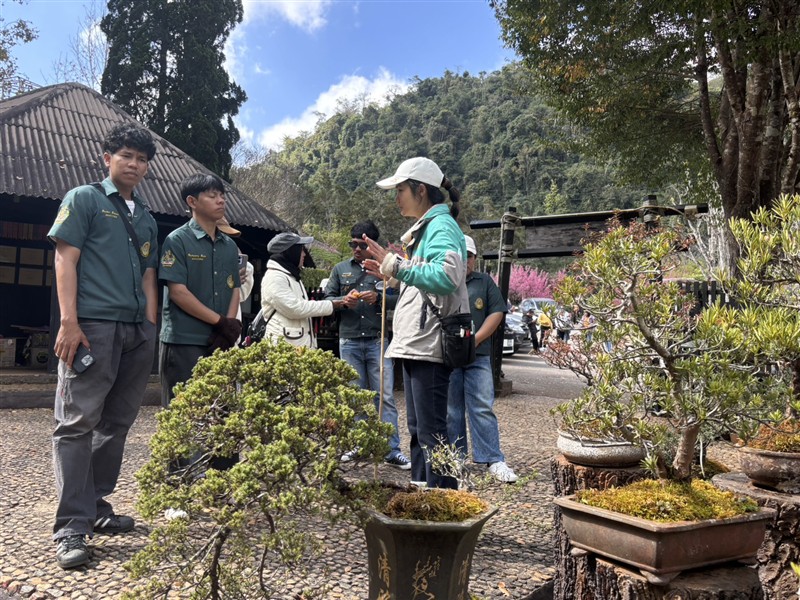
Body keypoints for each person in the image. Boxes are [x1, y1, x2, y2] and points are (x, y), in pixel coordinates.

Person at [48, 123, 159, 569]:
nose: (134, 164)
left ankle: (95, 505)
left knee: (117, 422)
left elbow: (149, 275)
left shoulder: (146, 217)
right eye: (126, 155)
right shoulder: (84, 199)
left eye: (141, 159)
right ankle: (71, 526)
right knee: (76, 424)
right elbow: (65, 257)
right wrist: (69, 322)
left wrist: (150, 326)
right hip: (91, 326)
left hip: (135, 331)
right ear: (107, 158)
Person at [363, 157, 469, 490]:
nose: (396, 198)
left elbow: (447, 277)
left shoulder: (441, 226)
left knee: (432, 432)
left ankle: (445, 502)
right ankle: (422, 496)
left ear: (420, 190)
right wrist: (394, 275)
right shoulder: (427, 228)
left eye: (400, 190)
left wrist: (396, 266)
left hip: (429, 342)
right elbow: (426, 278)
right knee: (420, 430)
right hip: (417, 342)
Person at [158, 174, 242, 476]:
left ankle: (222, 480)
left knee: (223, 410)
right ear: (192, 202)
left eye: (222, 194)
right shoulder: (177, 240)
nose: (221, 200)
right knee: (184, 413)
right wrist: (220, 322)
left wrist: (228, 327)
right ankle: (181, 483)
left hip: (220, 343)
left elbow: (234, 287)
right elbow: (178, 293)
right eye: (212, 195)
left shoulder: (229, 246)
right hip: (184, 340)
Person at [325, 220, 410, 470]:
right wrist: (344, 301)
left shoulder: (387, 269)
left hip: (377, 340)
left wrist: (380, 297)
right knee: (355, 395)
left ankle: (391, 450)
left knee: (385, 396)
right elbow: (328, 298)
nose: (356, 249)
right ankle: (358, 444)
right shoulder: (340, 269)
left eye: (361, 245)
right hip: (349, 340)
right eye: (352, 244)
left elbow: (402, 298)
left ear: (371, 245)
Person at [447, 236, 519, 483]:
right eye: (460, 255)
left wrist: (476, 339)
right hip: (450, 355)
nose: (464, 260)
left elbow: (496, 312)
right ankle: (455, 456)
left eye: (468, 255)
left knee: (481, 407)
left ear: (475, 258)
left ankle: (493, 458)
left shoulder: (484, 282)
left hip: (477, 355)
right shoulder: (444, 280)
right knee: (452, 409)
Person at [261, 232, 344, 348]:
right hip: (284, 347)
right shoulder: (275, 277)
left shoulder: (291, 275)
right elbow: (295, 308)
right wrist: (332, 304)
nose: (304, 254)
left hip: (295, 344)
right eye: (301, 250)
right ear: (290, 252)